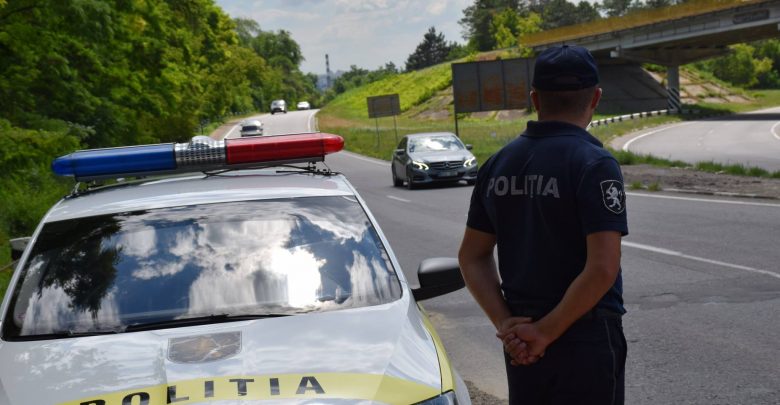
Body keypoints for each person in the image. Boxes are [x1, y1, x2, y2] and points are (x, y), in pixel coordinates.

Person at [458, 45, 628, 405]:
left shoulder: (498, 164)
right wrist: (544, 333)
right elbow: (602, 268)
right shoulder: (594, 163)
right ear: (595, 98)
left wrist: (509, 327)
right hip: (585, 337)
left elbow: (472, 257)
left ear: (535, 98)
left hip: (522, 342)